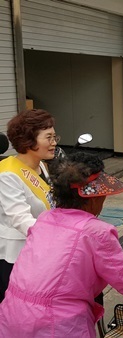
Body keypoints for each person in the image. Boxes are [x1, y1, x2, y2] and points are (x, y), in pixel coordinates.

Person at [0, 152, 123, 337]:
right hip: (57, 325)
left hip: (11, 315)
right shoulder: (98, 232)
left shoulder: (44, 219)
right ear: (94, 197)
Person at [0, 109, 56, 302]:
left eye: (54, 136)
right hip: (16, 255)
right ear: (29, 140)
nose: (54, 142)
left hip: (40, 249)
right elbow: (20, 218)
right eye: (48, 137)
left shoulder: (41, 165)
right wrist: (57, 237)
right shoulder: (8, 174)